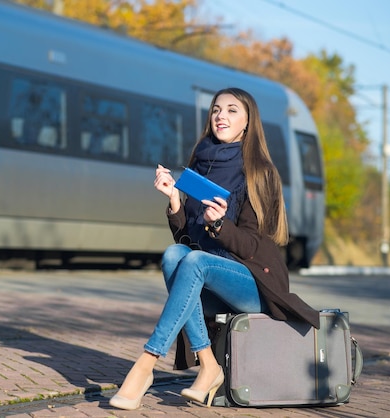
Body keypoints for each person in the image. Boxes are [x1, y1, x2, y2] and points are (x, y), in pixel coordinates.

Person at [109, 87, 320, 411]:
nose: (221, 116)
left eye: (232, 110)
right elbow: (186, 243)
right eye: (216, 110)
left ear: (248, 122)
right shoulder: (201, 163)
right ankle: (209, 365)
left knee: (194, 262)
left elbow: (253, 245)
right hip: (208, 270)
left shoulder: (260, 171)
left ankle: (146, 364)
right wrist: (175, 202)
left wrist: (220, 225)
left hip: (254, 281)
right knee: (173, 256)